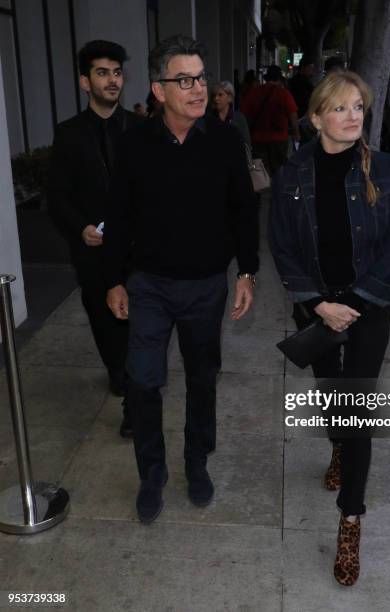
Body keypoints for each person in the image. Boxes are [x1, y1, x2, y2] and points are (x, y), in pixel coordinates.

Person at [103, 35, 259, 524]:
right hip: (148, 284)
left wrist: (247, 271)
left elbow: (244, 210)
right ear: (158, 89)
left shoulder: (226, 140)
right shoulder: (133, 145)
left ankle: (196, 463)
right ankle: (152, 474)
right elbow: (119, 216)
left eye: (201, 78)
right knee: (143, 381)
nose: (198, 89)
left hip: (206, 285)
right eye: (184, 80)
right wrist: (114, 280)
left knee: (201, 379)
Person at [269, 71, 390, 586]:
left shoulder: (389, 170)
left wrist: (350, 303)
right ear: (315, 118)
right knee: (332, 396)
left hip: (367, 307)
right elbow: (281, 246)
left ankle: (351, 519)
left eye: (359, 107)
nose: (353, 117)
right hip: (316, 308)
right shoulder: (292, 173)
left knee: (358, 410)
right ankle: (337, 444)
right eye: (341, 108)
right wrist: (318, 303)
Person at [47, 40, 143, 437]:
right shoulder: (68, 134)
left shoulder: (140, 129)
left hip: (138, 250)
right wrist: (80, 228)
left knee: (141, 324)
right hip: (92, 252)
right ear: (85, 82)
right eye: (102, 73)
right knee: (106, 324)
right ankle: (119, 372)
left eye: (117, 72)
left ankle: (134, 396)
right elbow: (57, 196)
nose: (112, 80)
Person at [240, 64, 300, 176]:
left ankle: (264, 191)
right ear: (279, 79)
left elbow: (244, 114)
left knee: (261, 169)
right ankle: (277, 192)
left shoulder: (255, 92)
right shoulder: (284, 94)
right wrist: (296, 133)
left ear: (266, 78)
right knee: (279, 170)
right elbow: (293, 115)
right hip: (279, 138)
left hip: (258, 138)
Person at [211, 81, 251, 147]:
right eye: (214, 95)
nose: (216, 98)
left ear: (230, 98)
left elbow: (246, 143)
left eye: (220, 95)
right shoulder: (209, 119)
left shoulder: (239, 118)